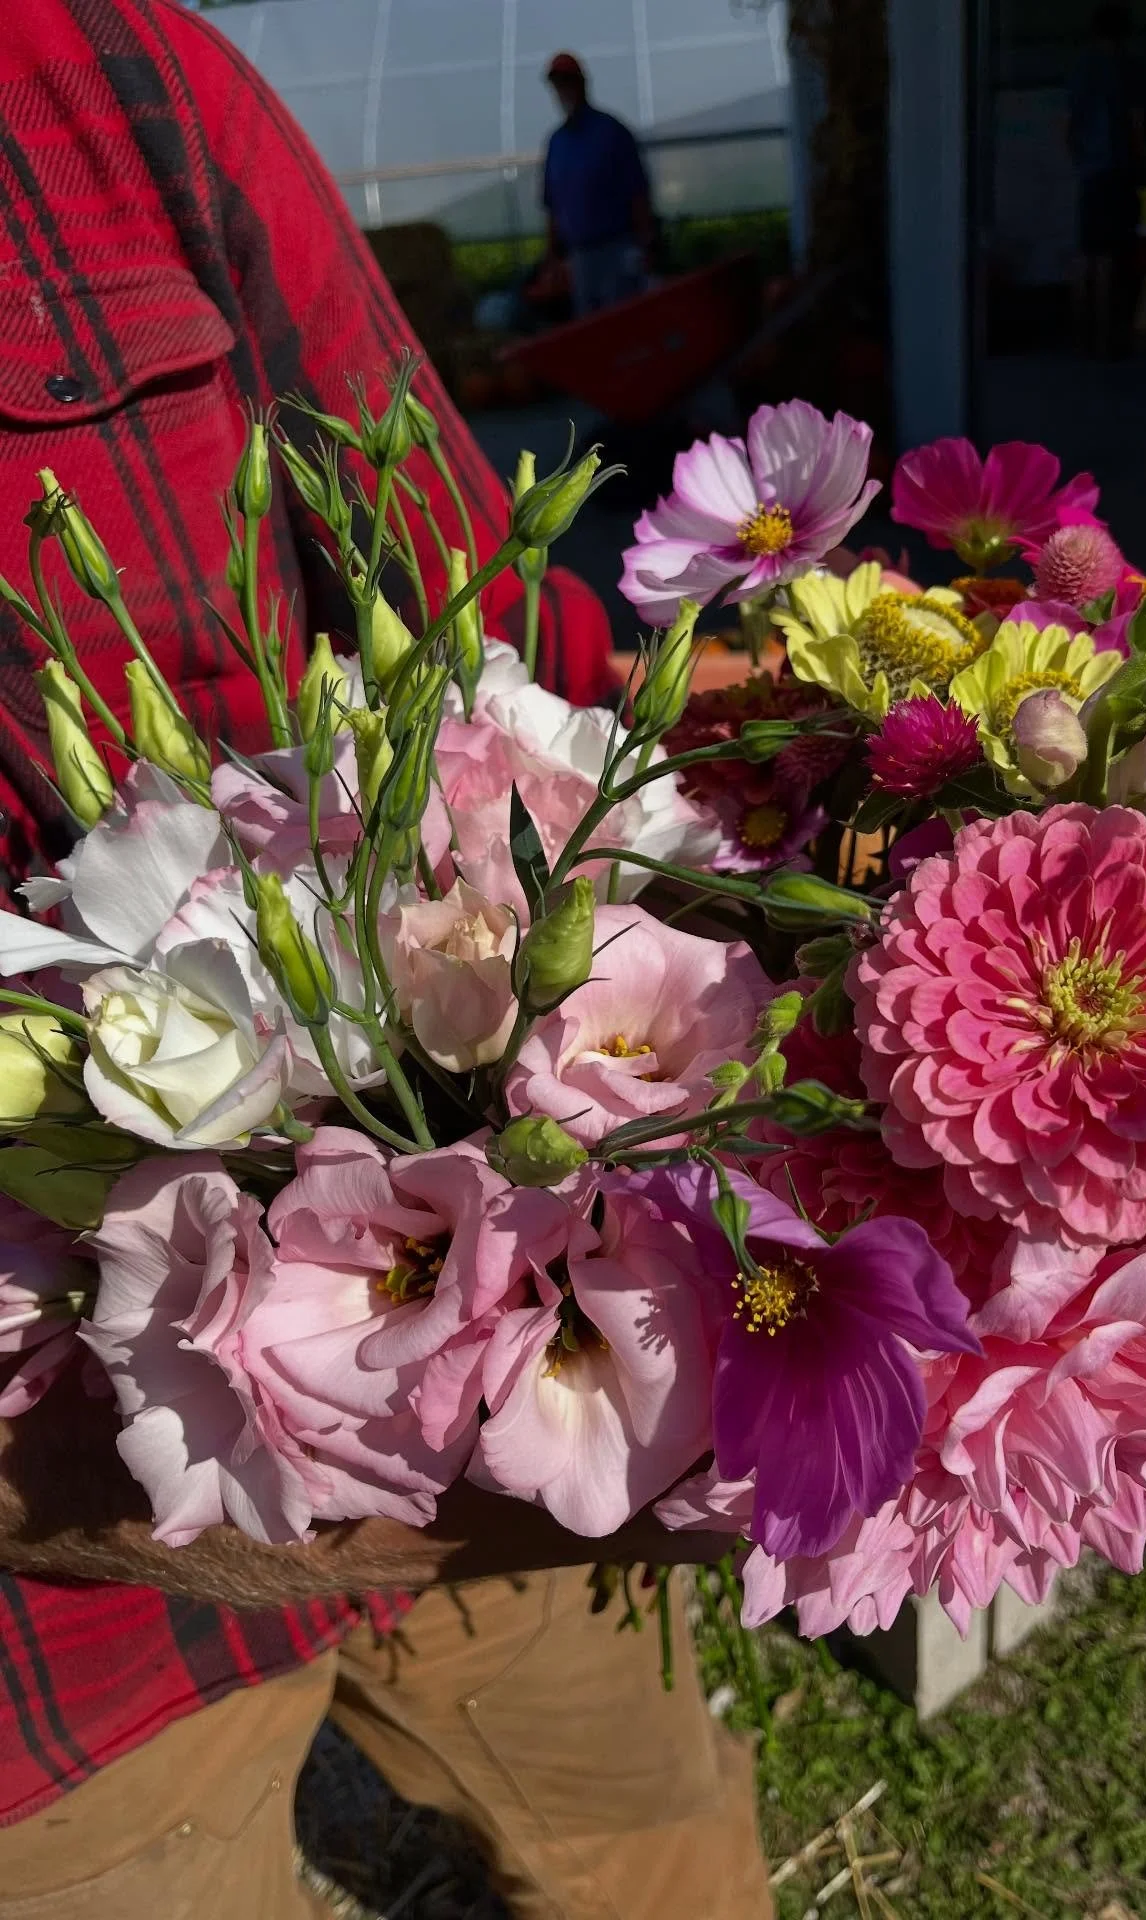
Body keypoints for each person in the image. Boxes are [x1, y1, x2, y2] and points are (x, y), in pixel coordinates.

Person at [0, 8, 771, 1919]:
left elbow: (457, 585)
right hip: (53, 1639)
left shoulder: (100, 71)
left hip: (494, 1442)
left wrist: (778, 711)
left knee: (655, 1850)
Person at [542, 52, 655, 318]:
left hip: (617, 249)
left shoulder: (611, 133)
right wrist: (552, 257)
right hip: (579, 257)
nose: (562, 91)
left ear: (582, 83)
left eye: (567, 82)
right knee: (590, 327)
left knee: (622, 321)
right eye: (557, 85)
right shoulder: (557, 143)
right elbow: (551, 205)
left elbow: (637, 192)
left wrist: (646, 245)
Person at [1066, 4, 1146, 357]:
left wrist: (1080, 159)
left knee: (1087, 253)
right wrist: (1145, 162)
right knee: (1111, 256)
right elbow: (1135, 123)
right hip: (1117, 169)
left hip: (1090, 171)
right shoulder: (1126, 69)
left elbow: (1068, 125)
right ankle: (1108, 337)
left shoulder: (1081, 67)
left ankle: (1080, 335)